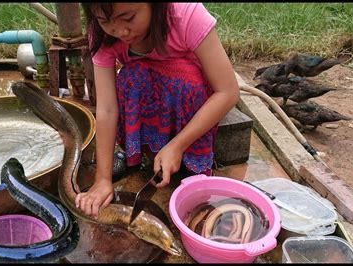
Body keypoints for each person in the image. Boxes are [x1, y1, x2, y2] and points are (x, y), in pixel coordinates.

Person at [75, 3, 239, 218]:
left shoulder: (186, 14)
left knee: (185, 80)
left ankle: (186, 159)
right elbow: (106, 109)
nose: (120, 31)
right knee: (130, 77)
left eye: (129, 17)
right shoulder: (101, 32)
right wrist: (102, 179)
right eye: (106, 22)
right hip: (154, 89)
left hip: (196, 98)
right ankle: (148, 152)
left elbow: (227, 92)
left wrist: (177, 145)